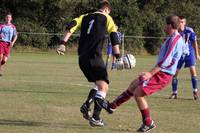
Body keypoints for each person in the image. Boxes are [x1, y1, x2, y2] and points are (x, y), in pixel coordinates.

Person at [104, 15, 188, 132]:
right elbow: (184, 51)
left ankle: (148, 123)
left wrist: (150, 74)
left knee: (138, 93)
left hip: (163, 74)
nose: (164, 26)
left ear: (170, 25)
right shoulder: (173, 38)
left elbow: (166, 61)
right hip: (160, 72)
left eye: (165, 24)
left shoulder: (175, 39)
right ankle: (112, 106)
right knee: (134, 84)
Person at [56, 1, 123, 127]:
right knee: (104, 86)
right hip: (94, 57)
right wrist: (118, 57)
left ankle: (86, 105)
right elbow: (114, 36)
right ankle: (96, 118)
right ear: (107, 10)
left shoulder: (84, 16)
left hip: (82, 58)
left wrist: (62, 44)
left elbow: (71, 25)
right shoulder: (107, 17)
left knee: (98, 85)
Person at [169, 16, 200, 100]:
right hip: (179, 54)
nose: (181, 23)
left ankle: (195, 92)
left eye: (182, 22)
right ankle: (174, 93)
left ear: (185, 23)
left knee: (193, 72)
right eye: (179, 22)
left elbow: (194, 42)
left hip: (189, 53)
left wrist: (197, 54)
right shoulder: (175, 31)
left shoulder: (189, 30)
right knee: (174, 73)